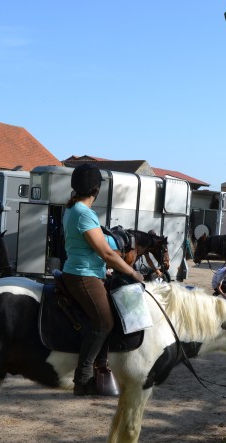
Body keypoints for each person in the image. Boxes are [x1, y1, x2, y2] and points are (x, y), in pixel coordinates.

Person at [62, 163, 144, 396]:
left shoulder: (73, 209)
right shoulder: (83, 213)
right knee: (104, 322)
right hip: (82, 275)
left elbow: (91, 249)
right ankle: (83, 378)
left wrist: (104, 270)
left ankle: (103, 365)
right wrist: (132, 273)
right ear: (96, 189)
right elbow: (106, 253)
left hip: (88, 271)